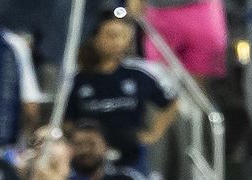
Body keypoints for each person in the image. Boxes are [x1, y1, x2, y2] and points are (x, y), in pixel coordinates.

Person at [65, 14, 175, 168]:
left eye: (123, 36)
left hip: (131, 154)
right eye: (111, 35)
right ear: (95, 38)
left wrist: (153, 134)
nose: (117, 42)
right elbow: (67, 120)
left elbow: (170, 103)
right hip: (88, 160)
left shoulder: (137, 74)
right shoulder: (78, 79)